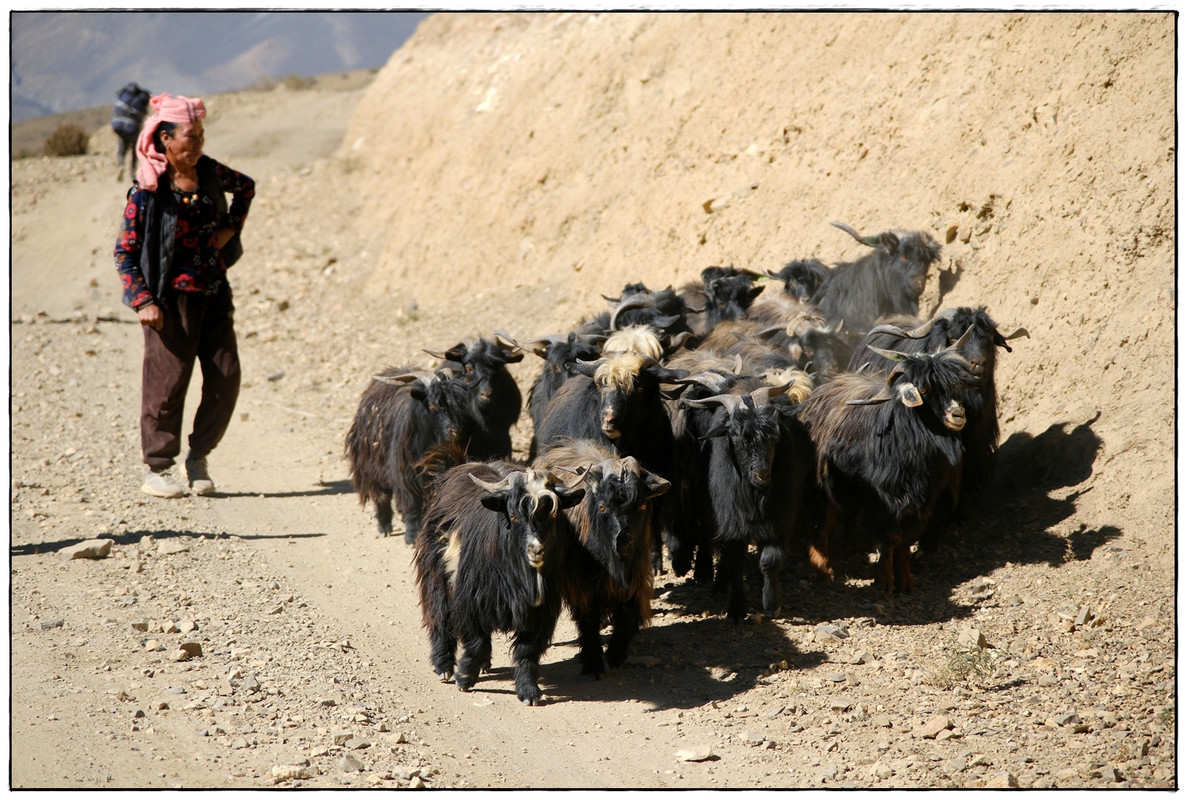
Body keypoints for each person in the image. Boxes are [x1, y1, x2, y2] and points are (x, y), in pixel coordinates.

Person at [113, 93, 255, 498]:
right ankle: (158, 468)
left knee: (225, 377)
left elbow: (245, 187)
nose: (198, 144)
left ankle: (199, 457)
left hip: (213, 292)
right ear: (165, 141)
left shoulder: (208, 171)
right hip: (168, 303)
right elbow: (124, 251)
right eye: (190, 137)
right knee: (168, 384)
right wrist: (142, 300)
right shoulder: (148, 190)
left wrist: (230, 227)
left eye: (201, 135)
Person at [112, 82, 151, 182]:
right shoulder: (141, 98)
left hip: (120, 127)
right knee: (134, 151)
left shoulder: (125, 94)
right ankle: (132, 173)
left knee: (121, 150)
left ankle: (120, 165)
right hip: (133, 129)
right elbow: (144, 113)